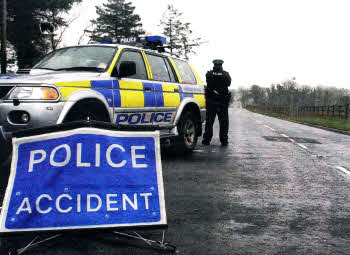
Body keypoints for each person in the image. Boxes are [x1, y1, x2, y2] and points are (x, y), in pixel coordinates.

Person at [202, 59, 232, 146]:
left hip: (211, 101)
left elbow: (208, 83)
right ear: (221, 65)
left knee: (209, 121)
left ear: (214, 65)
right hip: (223, 101)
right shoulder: (226, 74)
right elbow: (229, 83)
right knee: (224, 122)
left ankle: (206, 140)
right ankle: (224, 140)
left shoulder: (209, 74)